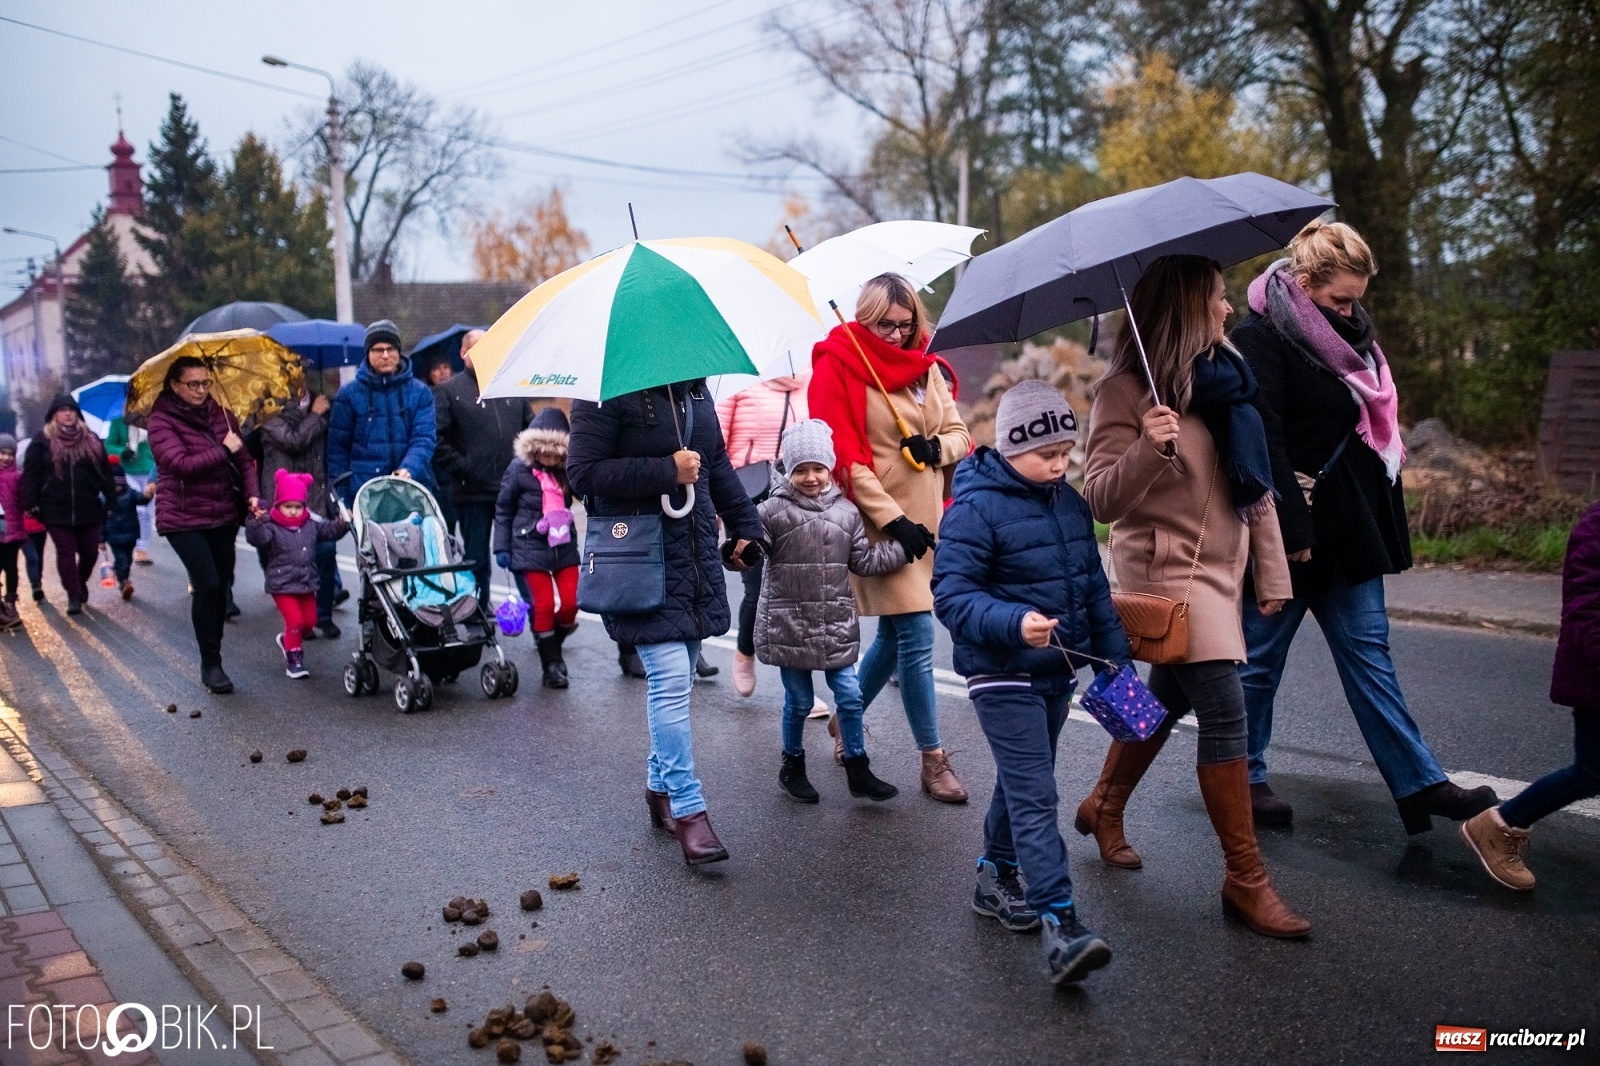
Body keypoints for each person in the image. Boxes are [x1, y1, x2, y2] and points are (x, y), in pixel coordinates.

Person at [1233, 220, 1497, 833]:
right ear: (1302, 284)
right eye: (1339, 300)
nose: (1352, 311)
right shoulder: (1261, 338)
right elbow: (1262, 436)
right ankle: (1242, 780)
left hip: (1350, 533)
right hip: (1290, 537)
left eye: (1358, 297)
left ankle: (1420, 785)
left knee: (1371, 657)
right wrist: (1289, 531)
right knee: (1258, 664)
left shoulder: (1354, 339)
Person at [1079, 254, 1310, 939]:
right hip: (1163, 575)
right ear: (1185, 307)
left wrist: (1272, 577)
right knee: (1225, 711)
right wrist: (1149, 447)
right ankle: (1246, 879)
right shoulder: (1125, 392)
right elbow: (1100, 497)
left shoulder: (1231, 383)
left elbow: (1255, 489)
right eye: (1217, 298)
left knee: (1163, 699)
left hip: (1218, 573)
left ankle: (1103, 801)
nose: (1229, 309)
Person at [934, 380, 1130, 985]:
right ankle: (1061, 924)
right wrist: (1015, 623)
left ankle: (994, 874)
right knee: (1036, 793)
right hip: (999, 668)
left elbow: (1092, 587)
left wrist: (1114, 663)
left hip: (1056, 670)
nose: (1060, 462)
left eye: (1066, 451)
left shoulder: (1068, 503)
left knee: (1026, 780)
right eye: (1048, 452)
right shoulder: (975, 506)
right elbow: (953, 595)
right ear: (1013, 445)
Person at [567, 378, 764, 866]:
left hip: (692, 557)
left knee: (686, 671)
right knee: (673, 677)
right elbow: (583, 474)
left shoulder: (696, 391)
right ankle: (688, 808)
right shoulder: (605, 388)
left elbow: (716, 464)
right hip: (638, 556)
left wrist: (746, 527)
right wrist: (665, 470)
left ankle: (658, 789)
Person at [807, 273, 973, 803]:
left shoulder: (927, 368)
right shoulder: (839, 365)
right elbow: (845, 460)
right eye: (886, 326)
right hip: (883, 526)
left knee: (895, 637)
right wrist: (893, 519)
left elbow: (961, 434)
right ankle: (933, 759)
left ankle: (842, 719)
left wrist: (935, 450)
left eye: (907, 325)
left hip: (933, 524)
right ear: (864, 319)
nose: (899, 336)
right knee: (919, 639)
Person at [756, 419, 904, 803]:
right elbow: (751, 551)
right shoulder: (771, 511)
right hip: (789, 622)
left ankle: (858, 766)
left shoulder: (847, 513)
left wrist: (904, 548)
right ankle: (792, 766)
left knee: (851, 696)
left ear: (830, 468)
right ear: (787, 471)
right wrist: (738, 551)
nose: (810, 477)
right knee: (800, 703)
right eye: (800, 469)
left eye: (817, 468)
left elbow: (864, 561)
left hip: (835, 622)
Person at [1459, 500, 1599, 891]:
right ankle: (1498, 825)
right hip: (1595, 678)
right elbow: (1586, 610)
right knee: (1592, 770)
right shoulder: (1596, 526)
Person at [147, 356, 260, 694]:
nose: (200, 390)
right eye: (193, 384)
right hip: (182, 516)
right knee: (207, 583)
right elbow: (180, 464)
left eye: (205, 383)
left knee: (222, 586)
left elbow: (244, 460)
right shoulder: (160, 420)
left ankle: (216, 650)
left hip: (222, 511)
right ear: (174, 385)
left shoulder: (222, 413)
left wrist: (253, 496)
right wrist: (223, 450)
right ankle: (210, 663)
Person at [718, 371, 810, 698]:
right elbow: (716, 448)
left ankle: (801, 690)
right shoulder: (738, 383)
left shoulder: (806, 384)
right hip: (745, 495)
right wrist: (715, 506)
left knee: (796, 590)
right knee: (757, 588)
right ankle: (745, 651)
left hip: (793, 496)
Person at [433, 328, 528, 601]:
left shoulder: (511, 386)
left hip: (511, 490)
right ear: (464, 354)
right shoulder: (448, 391)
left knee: (523, 555)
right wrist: (467, 467)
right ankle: (478, 617)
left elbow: (528, 430)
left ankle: (540, 623)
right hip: (471, 491)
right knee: (477, 560)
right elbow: (437, 441)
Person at [494, 407, 581, 688]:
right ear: (533, 447)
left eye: (557, 452)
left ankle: (551, 642)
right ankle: (551, 666)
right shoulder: (518, 470)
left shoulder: (567, 471)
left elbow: (585, 494)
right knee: (542, 605)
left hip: (563, 546)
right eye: (545, 451)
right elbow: (504, 510)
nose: (550, 457)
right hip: (528, 546)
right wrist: (501, 548)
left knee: (571, 602)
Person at [246, 470, 348, 679]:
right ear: (278, 505)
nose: (293, 511)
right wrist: (255, 522)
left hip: (305, 582)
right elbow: (258, 539)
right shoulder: (271, 525)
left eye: (297, 506)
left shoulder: (310, 523)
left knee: (309, 623)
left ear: (304, 505)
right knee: (295, 622)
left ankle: (287, 640)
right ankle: (294, 659)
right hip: (282, 584)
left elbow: (329, 532)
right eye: (288, 506)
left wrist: (342, 523)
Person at [20, 396, 115, 616]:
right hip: (54, 508)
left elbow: (104, 473)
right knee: (66, 552)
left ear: (77, 414)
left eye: (71, 409)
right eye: (62, 410)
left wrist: (111, 499)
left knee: (90, 552)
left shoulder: (91, 440)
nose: (67, 413)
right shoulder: (42, 441)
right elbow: (31, 474)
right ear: (54, 414)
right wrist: (30, 502)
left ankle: (80, 584)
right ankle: (73, 595)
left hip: (88, 506)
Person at [327, 320, 437, 504]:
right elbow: (337, 451)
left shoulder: (420, 392)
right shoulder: (348, 394)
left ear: (398, 351)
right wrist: (342, 499)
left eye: (391, 349)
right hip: (367, 493)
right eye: (378, 350)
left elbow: (424, 438)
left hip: (412, 489)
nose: (385, 355)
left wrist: (409, 468)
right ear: (368, 353)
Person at [261, 388, 340, 639]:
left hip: (317, 496)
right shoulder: (268, 409)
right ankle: (298, 619)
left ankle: (324, 615)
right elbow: (293, 441)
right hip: (286, 500)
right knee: (292, 560)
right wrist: (316, 415)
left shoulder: (324, 403)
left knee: (326, 553)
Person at [102, 452, 153, 600]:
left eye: (119, 484)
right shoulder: (104, 498)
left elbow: (141, 500)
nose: (117, 488)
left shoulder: (130, 493)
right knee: (121, 559)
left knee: (128, 560)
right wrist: (101, 539)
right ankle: (124, 582)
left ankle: (124, 578)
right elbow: (100, 520)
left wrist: (147, 495)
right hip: (114, 536)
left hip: (130, 534)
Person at [106, 415, 156, 566]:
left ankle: (142, 548)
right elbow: (108, 445)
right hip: (126, 472)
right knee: (138, 510)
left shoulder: (151, 420)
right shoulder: (118, 423)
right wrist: (123, 451)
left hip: (148, 469)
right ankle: (133, 545)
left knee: (147, 511)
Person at [0, 434, 24, 629]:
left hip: (13, 529)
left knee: (11, 568)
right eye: (2, 453)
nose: (6, 458)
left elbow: (24, 500)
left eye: (10, 454)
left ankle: (10, 602)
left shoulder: (17, 476)